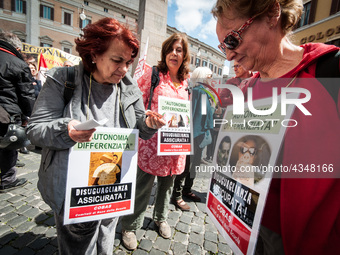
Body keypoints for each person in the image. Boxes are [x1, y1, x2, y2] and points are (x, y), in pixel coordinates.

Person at [26, 18, 165, 254]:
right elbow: (35, 130)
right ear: (93, 53)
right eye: (117, 60)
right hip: (75, 192)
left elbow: (140, 126)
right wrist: (66, 131)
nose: (123, 69)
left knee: (106, 239)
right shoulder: (64, 79)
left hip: (113, 189)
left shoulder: (128, 87)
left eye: (128, 62)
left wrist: (149, 124)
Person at [213, 0, 339, 254]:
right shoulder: (246, 90)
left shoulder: (330, 71)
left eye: (233, 40)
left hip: (307, 239)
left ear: (272, 13)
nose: (228, 55)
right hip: (250, 224)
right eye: (223, 45)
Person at [121, 32, 190, 250]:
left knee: (167, 188)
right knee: (142, 187)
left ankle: (161, 217)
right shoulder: (153, 75)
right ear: (164, 52)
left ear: (184, 55)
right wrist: (148, 117)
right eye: (171, 49)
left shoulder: (186, 82)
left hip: (175, 146)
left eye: (179, 50)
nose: (174, 53)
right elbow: (136, 104)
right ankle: (130, 226)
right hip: (151, 146)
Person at [171, 66, 214, 211]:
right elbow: (205, 115)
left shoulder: (196, 91)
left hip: (194, 133)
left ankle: (183, 190)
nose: (211, 79)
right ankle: (180, 192)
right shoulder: (201, 91)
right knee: (189, 165)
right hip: (197, 134)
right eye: (209, 76)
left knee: (190, 165)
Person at [0, 31, 35, 192]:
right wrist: (31, 114)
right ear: (17, 48)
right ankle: (7, 179)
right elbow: (26, 95)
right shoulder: (17, 63)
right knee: (9, 144)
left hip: (5, 110)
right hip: (7, 113)